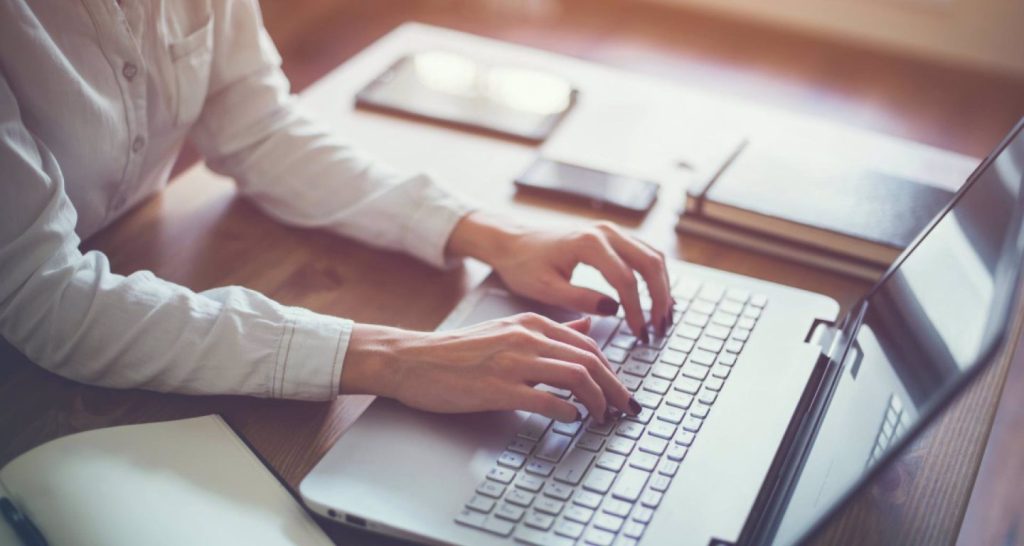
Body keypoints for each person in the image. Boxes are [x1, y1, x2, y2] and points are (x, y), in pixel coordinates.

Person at [0, 1, 672, 425]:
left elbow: (257, 126)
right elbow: (42, 293)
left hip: (130, 262)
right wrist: (393, 357)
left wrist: (489, 233)